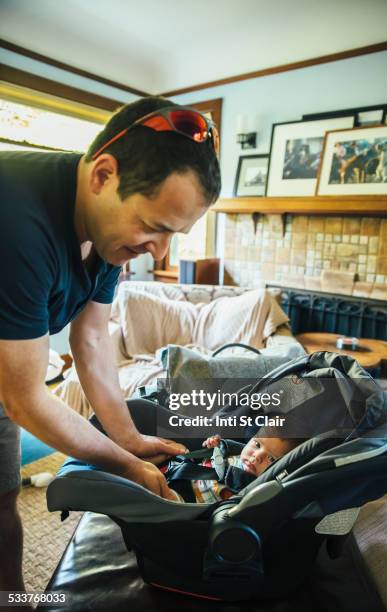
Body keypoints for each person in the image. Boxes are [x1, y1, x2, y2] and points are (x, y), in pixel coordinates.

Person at [0, 96, 221, 598]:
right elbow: (26, 397)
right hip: (11, 380)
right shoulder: (15, 218)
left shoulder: (106, 234)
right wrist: (125, 465)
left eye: (175, 235)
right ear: (103, 174)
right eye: (155, 228)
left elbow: (92, 337)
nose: (159, 252)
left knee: (2, 501)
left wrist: (130, 438)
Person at [180, 433, 302, 503]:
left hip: (187, 500)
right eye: (257, 444)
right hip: (185, 472)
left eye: (271, 459)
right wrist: (215, 445)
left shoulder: (251, 488)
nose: (257, 456)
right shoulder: (236, 451)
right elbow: (218, 452)